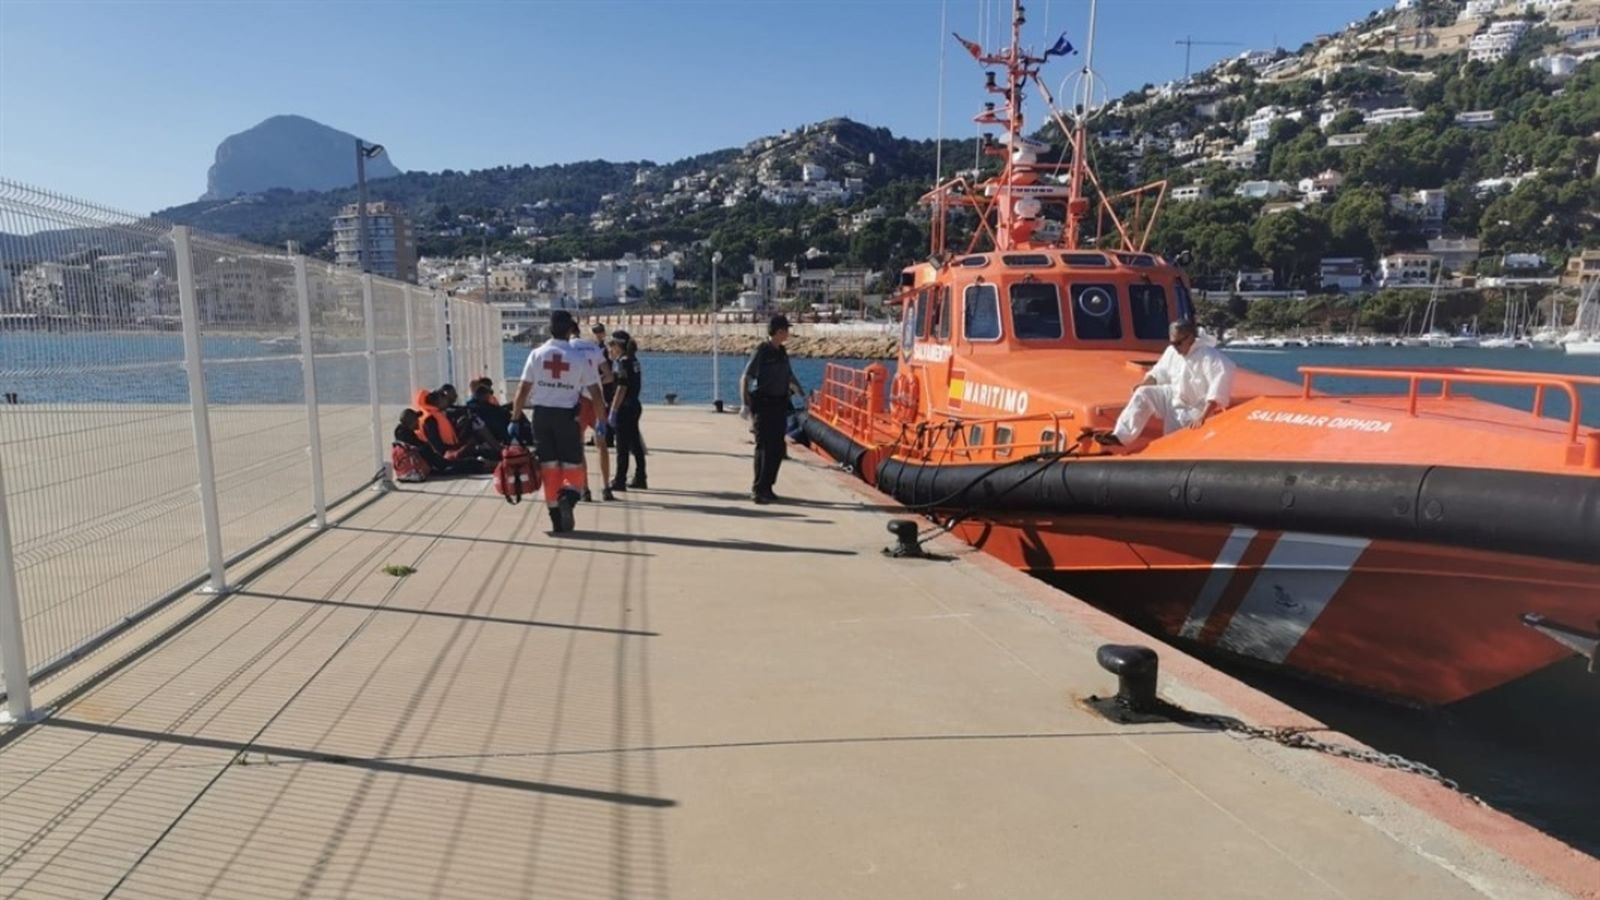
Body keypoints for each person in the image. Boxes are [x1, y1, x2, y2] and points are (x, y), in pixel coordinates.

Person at [508, 310, 605, 533]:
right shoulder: (579, 357)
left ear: (549, 328)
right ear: (570, 329)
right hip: (567, 417)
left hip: (541, 417)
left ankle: (555, 518)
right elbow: (596, 392)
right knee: (574, 466)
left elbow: (523, 389)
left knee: (549, 468)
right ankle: (569, 498)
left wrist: (514, 418)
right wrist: (601, 420)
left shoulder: (537, 354)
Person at [1093, 320, 1234, 447]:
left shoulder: (1210, 357)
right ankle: (1121, 436)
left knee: (1175, 443)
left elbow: (1218, 387)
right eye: (1172, 343)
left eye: (1178, 343)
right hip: (1173, 397)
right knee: (1144, 393)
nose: (1176, 347)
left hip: (1195, 408)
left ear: (1190, 337)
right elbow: (1159, 373)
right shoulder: (1172, 352)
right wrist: (1143, 384)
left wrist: (1202, 417)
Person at [739, 313, 805, 504]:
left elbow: (789, 375)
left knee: (776, 448)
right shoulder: (762, 350)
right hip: (764, 405)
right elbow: (746, 378)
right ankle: (758, 489)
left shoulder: (781, 352)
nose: (788, 334)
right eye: (786, 330)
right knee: (764, 448)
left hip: (779, 404)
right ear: (778, 331)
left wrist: (800, 391)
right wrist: (745, 404)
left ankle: (768, 486)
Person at [572, 321, 616, 501]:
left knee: (579, 446)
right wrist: (596, 381)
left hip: (579, 399)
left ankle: (585, 489)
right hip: (597, 398)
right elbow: (609, 375)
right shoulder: (593, 348)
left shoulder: (568, 348)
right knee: (602, 445)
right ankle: (606, 487)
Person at [606, 330, 647, 492]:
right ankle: (640, 476)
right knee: (635, 444)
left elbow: (622, 387)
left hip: (625, 407)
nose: (610, 349)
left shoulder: (623, 362)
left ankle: (620, 480)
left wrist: (614, 410)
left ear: (618, 346)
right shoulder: (634, 360)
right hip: (635, 405)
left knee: (622, 446)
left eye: (612, 346)